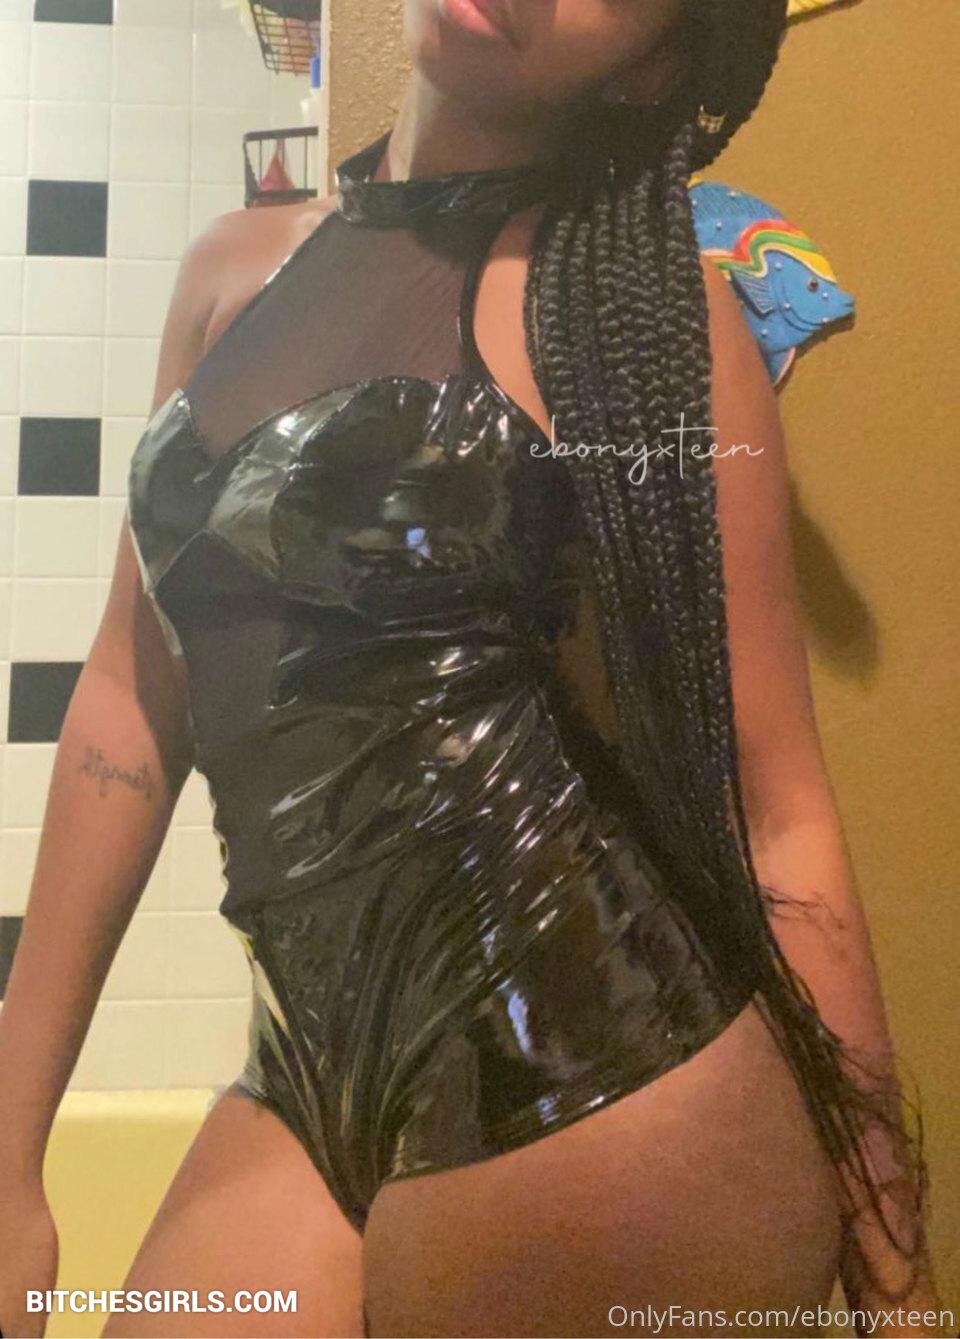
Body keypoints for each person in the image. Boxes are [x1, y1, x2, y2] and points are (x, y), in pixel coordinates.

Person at [0, 1, 945, 1336]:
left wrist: (899, 1288)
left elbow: (777, 813)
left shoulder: (648, 319)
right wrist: (10, 1152)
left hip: (601, 1081)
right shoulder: (229, 271)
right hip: (307, 1067)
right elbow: (129, 698)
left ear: (655, 65)